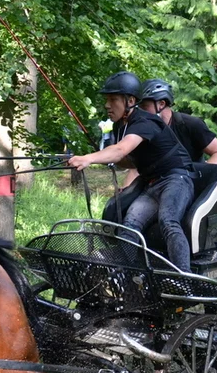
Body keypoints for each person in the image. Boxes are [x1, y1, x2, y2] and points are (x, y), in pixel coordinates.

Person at [67, 71, 195, 272]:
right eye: (106, 100)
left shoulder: (146, 122)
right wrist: (102, 159)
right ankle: (122, 271)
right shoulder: (121, 126)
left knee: (168, 221)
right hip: (151, 183)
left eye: (113, 99)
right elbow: (126, 159)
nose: (107, 105)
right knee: (130, 224)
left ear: (131, 101)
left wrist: (89, 158)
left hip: (176, 179)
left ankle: (184, 277)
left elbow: (120, 150)